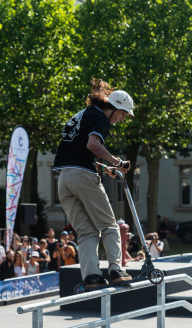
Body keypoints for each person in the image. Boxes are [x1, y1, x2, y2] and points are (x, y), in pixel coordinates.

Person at [52, 78, 134, 289]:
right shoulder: (101, 118)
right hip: (82, 178)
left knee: (87, 231)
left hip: (63, 180)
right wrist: (117, 162)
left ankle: (92, 277)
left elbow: (79, 151)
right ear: (114, 107)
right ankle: (116, 269)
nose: (122, 119)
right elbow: (92, 144)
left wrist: (104, 168)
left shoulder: (81, 115)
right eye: (123, 114)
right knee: (109, 224)